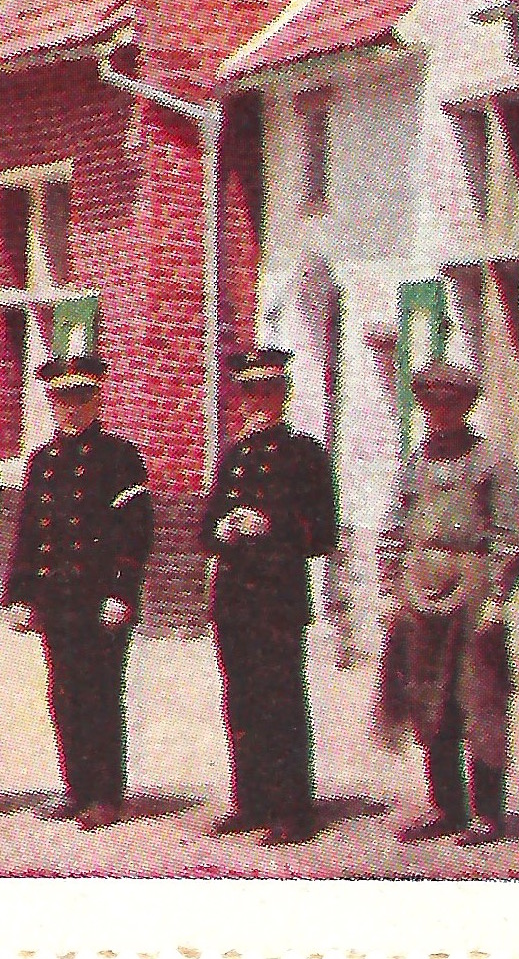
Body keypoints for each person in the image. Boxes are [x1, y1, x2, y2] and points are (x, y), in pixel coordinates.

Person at [374, 360, 519, 846]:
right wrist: (389, 587)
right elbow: (394, 528)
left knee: (478, 697)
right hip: (420, 587)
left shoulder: (491, 462)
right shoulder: (415, 463)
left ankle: (487, 812)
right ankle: (447, 807)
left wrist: (498, 599)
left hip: (472, 584)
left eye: (450, 407)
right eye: (431, 407)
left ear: (465, 408)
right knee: (425, 697)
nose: (439, 416)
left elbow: (510, 535)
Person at [0, 352, 152, 829]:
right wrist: (21, 593)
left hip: (99, 599)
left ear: (97, 397)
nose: (72, 408)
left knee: (101, 690)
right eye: (63, 399)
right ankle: (76, 786)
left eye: (82, 398)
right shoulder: (42, 461)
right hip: (56, 599)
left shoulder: (119, 458)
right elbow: (28, 530)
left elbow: (135, 531)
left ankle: (105, 792)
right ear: (51, 401)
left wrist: (121, 592)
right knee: (64, 692)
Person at [201, 346, 336, 846]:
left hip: (278, 595)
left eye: (269, 392)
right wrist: (225, 529)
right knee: (240, 697)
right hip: (235, 594)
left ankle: (291, 807)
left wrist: (271, 525)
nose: (260, 401)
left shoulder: (305, 455)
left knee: (280, 698)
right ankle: (251, 798)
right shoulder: (234, 455)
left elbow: (322, 532)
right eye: (251, 392)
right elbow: (205, 526)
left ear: (284, 395)